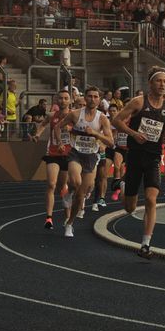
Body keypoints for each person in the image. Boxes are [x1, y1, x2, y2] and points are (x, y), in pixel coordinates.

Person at [114, 70, 165, 258]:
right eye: (159, 81)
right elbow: (116, 120)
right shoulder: (138, 102)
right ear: (151, 83)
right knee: (130, 208)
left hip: (153, 158)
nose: (163, 84)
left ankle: (145, 243)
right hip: (134, 157)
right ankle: (124, 187)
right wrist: (134, 134)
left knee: (151, 200)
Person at [63, 87, 113, 238]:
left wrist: (96, 134)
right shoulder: (75, 114)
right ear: (85, 98)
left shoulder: (102, 118)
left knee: (81, 195)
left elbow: (110, 141)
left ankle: (69, 223)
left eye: (95, 96)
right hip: (76, 154)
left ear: (99, 99)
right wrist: (63, 139)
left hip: (91, 157)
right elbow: (59, 127)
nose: (92, 99)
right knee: (75, 181)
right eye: (89, 96)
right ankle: (70, 191)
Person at [40, 91, 75, 231]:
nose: (63, 101)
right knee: (51, 184)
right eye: (60, 98)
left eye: (66, 98)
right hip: (53, 154)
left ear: (70, 100)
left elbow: (81, 130)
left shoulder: (74, 115)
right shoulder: (51, 115)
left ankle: (67, 216)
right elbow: (43, 124)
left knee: (63, 186)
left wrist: (70, 129)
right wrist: (37, 134)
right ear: (56, 100)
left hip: (68, 154)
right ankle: (49, 217)